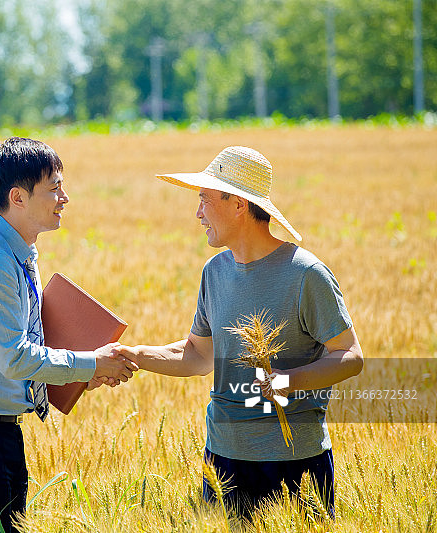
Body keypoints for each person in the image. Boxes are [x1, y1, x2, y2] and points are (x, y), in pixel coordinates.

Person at [115, 146, 363, 519]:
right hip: (224, 461)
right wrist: (136, 355)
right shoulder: (214, 272)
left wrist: (289, 381)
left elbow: (350, 357)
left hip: (295, 462)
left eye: (205, 200)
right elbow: (198, 356)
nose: (198, 213)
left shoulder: (306, 274)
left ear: (238, 205)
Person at [0, 136, 137, 533]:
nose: (64, 197)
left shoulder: (19, 253)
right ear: (18, 197)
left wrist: (81, 377)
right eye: (54, 187)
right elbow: (15, 358)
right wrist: (91, 364)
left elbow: (25, 352)